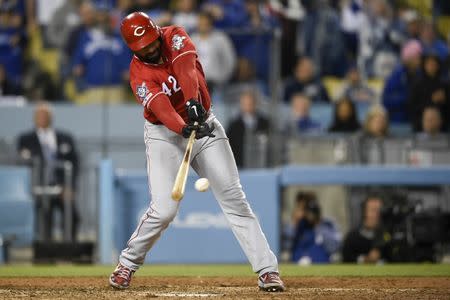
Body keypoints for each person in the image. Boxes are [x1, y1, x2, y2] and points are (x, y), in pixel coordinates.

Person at [109, 12, 285, 292]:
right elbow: (162, 110)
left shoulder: (174, 35)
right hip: (164, 135)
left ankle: (267, 271)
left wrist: (193, 103)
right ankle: (127, 264)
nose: (152, 49)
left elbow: (186, 69)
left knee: (234, 198)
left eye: (153, 42)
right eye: (144, 49)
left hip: (204, 122)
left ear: (156, 32)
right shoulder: (139, 74)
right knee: (164, 210)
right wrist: (182, 128)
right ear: (134, 50)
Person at [17, 102, 79, 242]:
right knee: (44, 218)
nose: (42, 118)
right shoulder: (25, 140)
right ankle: (46, 255)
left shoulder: (65, 138)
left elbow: (74, 163)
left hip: (62, 187)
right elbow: (22, 164)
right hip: (38, 188)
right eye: (39, 115)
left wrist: (70, 186)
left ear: (51, 117)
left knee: (73, 217)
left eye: (45, 115)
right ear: (34, 118)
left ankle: (68, 251)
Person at [290, 191, 341, 264]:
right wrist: (295, 222)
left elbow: (334, 247)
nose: (307, 212)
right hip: (298, 266)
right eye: (304, 208)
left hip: (322, 266)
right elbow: (287, 245)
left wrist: (317, 224)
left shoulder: (327, 224)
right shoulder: (300, 226)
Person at [190, 12, 236, 91]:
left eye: (205, 23)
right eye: (201, 23)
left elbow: (230, 60)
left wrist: (223, 79)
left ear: (210, 24)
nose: (203, 26)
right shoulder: (192, 39)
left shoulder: (221, 38)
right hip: (197, 84)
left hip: (217, 84)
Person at [226, 90, 270, 168]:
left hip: (262, 165)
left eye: (250, 103)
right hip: (240, 166)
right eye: (245, 104)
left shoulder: (265, 123)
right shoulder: (233, 126)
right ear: (241, 105)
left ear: (255, 104)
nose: (248, 106)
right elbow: (229, 148)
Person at [382, 39, 422, 124]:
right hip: (399, 121)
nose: (420, 58)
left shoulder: (421, 74)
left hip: (417, 121)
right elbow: (386, 100)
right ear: (409, 57)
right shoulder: (396, 76)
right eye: (417, 55)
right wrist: (408, 98)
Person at [342, 195, 390, 263]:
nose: (377, 214)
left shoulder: (387, 236)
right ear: (364, 212)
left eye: (380, 210)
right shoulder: (352, 237)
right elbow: (346, 259)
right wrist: (365, 259)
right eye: (373, 210)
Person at [409, 54, 449, 132]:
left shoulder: (444, 85)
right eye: (429, 64)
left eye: (434, 64)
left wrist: (444, 100)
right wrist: (431, 100)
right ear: (424, 66)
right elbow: (412, 106)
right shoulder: (417, 85)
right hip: (420, 126)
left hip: (443, 127)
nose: (432, 67)